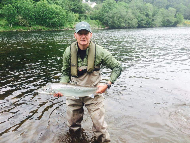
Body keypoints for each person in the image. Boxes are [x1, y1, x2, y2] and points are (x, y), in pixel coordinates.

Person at [54, 21, 122, 142]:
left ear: (91, 35)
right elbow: (65, 73)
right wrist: (61, 88)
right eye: (80, 33)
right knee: (73, 126)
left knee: (100, 127)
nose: (83, 36)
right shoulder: (68, 52)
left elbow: (117, 67)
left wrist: (108, 84)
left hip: (94, 92)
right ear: (75, 35)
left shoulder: (100, 52)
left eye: (86, 33)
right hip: (74, 92)